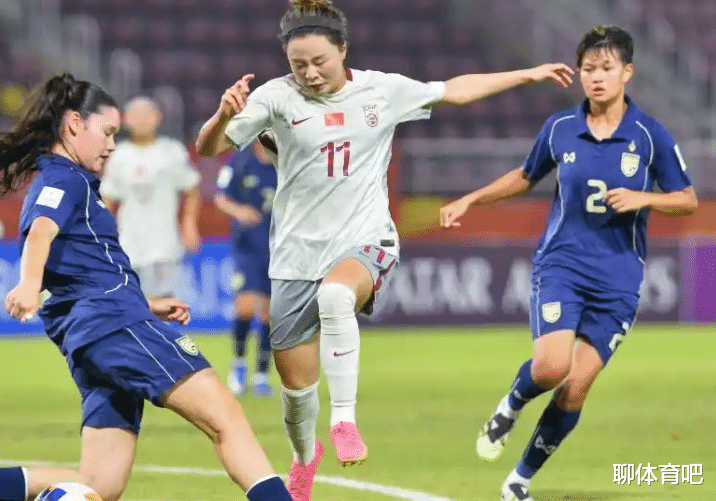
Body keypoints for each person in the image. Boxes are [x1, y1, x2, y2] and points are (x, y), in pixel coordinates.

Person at [195, 0, 573, 498]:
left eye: (319, 62)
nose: (310, 73)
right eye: (298, 64)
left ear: (343, 50)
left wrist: (526, 74)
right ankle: (305, 458)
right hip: (294, 255)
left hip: (366, 238)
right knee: (296, 391)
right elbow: (208, 147)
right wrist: (223, 115)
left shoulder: (381, 90)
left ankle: (345, 422)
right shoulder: (275, 97)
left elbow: (455, 90)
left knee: (336, 297)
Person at [0, 74, 292, 501]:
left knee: (98, 485)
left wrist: (147, 304)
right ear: (75, 124)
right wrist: (28, 284)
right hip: (113, 326)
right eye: (107, 132)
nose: (111, 145)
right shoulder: (65, 180)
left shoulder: (65, 180)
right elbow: (41, 232)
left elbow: (84, 268)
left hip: (97, 332)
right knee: (224, 414)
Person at [440, 26, 697, 501]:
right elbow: (525, 175)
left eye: (607, 68)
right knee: (552, 367)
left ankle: (519, 480)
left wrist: (644, 197)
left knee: (576, 387)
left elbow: (687, 199)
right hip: (563, 266)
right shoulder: (560, 128)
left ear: (627, 72)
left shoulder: (649, 135)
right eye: (588, 69)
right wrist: (471, 199)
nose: (596, 77)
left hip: (619, 278)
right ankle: (511, 404)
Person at [99, 96, 201, 299]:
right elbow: (107, 199)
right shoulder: (118, 155)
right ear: (124, 120)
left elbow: (192, 189)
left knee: (163, 301)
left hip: (164, 243)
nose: (142, 120)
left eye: (147, 114)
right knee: (130, 301)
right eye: (136, 115)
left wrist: (189, 223)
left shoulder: (172, 151)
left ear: (158, 117)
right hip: (128, 243)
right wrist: (102, 234)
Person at [215, 138, 277, 397]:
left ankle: (262, 373)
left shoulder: (284, 162)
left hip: (277, 248)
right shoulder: (240, 162)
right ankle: (238, 364)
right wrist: (239, 211)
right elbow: (221, 198)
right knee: (246, 305)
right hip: (247, 247)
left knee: (269, 314)